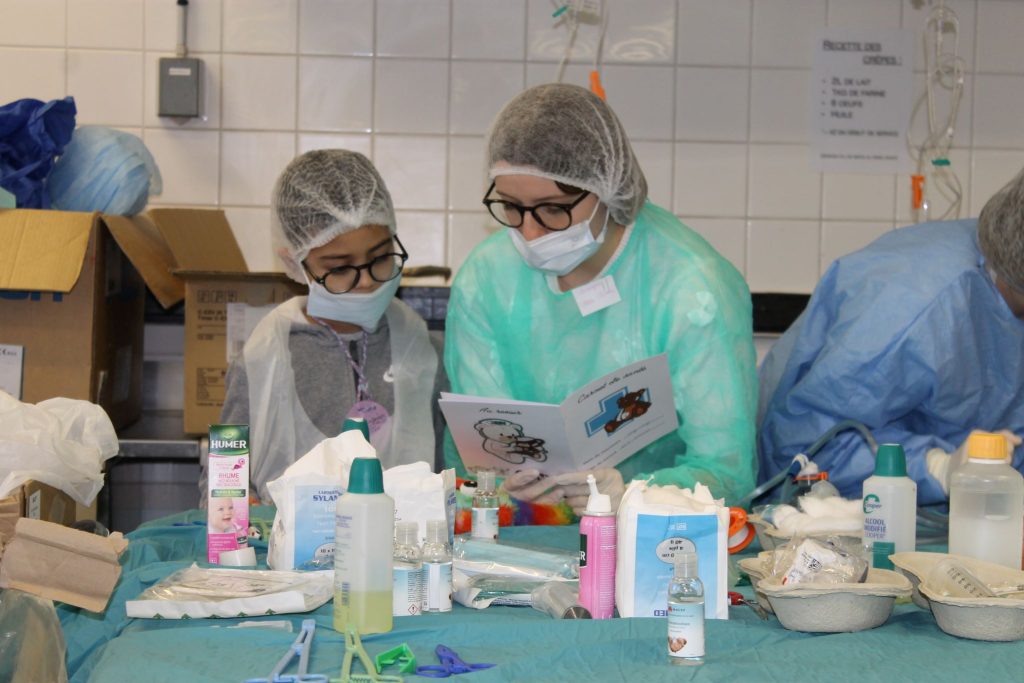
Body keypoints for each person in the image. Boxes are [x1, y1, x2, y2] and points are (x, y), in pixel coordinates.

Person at [444, 83, 758, 518]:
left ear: (608, 189)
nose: (530, 232)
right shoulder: (486, 277)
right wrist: (497, 479)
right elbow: (476, 441)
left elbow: (728, 472)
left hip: (656, 543)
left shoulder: (692, 288)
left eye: (552, 209)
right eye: (512, 207)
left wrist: (632, 493)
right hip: (514, 537)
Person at [758, 166, 1024, 505]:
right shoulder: (913, 308)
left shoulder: (1005, 285)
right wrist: (937, 468)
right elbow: (806, 455)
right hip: (835, 515)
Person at [207, 149, 448, 503]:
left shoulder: (421, 349)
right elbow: (221, 486)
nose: (366, 282)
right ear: (295, 262)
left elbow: (449, 478)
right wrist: (239, 503)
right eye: (339, 268)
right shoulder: (264, 357)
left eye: (380, 259)